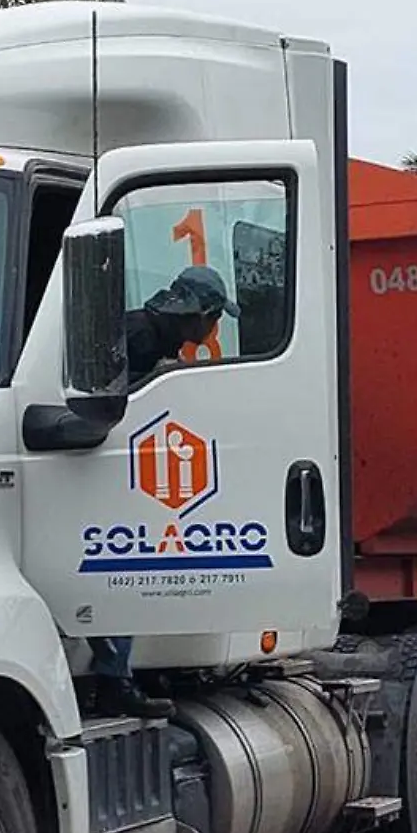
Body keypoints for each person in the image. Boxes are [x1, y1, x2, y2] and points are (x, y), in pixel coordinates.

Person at [86, 265, 238, 720]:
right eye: (214, 319)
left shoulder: (155, 336)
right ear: (198, 315)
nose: (214, 329)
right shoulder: (141, 338)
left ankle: (127, 669)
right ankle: (115, 677)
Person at [124, 264, 238, 384]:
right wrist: (156, 377)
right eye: (216, 316)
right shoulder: (139, 338)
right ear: (201, 314)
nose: (214, 325)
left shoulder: (167, 338)